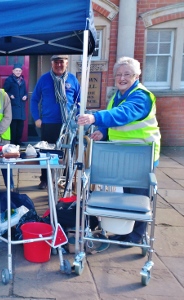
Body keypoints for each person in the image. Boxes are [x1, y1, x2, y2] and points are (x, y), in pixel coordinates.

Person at [77, 56, 161, 247]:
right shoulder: (117, 96)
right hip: (124, 156)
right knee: (127, 198)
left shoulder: (141, 96)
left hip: (142, 156)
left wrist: (94, 117)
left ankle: (137, 236)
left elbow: (126, 114)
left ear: (137, 76)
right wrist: (103, 132)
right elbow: (115, 121)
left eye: (127, 74)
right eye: (119, 74)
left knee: (140, 198)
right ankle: (127, 232)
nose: (122, 78)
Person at [30, 55, 80, 189]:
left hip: (68, 125)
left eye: (61, 62)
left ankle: (67, 180)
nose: (59, 65)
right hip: (49, 123)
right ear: (52, 64)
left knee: (67, 154)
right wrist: (37, 118)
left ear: (67, 63)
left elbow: (79, 101)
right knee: (46, 153)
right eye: (56, 62)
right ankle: (45, 180)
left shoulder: (73, 79)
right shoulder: (44, 79)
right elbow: (34, 100)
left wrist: (78, 116)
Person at [3, 63, 28, 146]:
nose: (18, 72)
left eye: (19, 70)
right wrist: (10, 95)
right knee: (13, 126)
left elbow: (25, 92)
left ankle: (18, 141)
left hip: (21, 107)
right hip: (13, 106)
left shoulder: (23, 81)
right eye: (16, 70)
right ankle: (12, 142)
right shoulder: (9, 80)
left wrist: (26, 96)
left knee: (20, 126)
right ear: (13, 71)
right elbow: (4, 91)